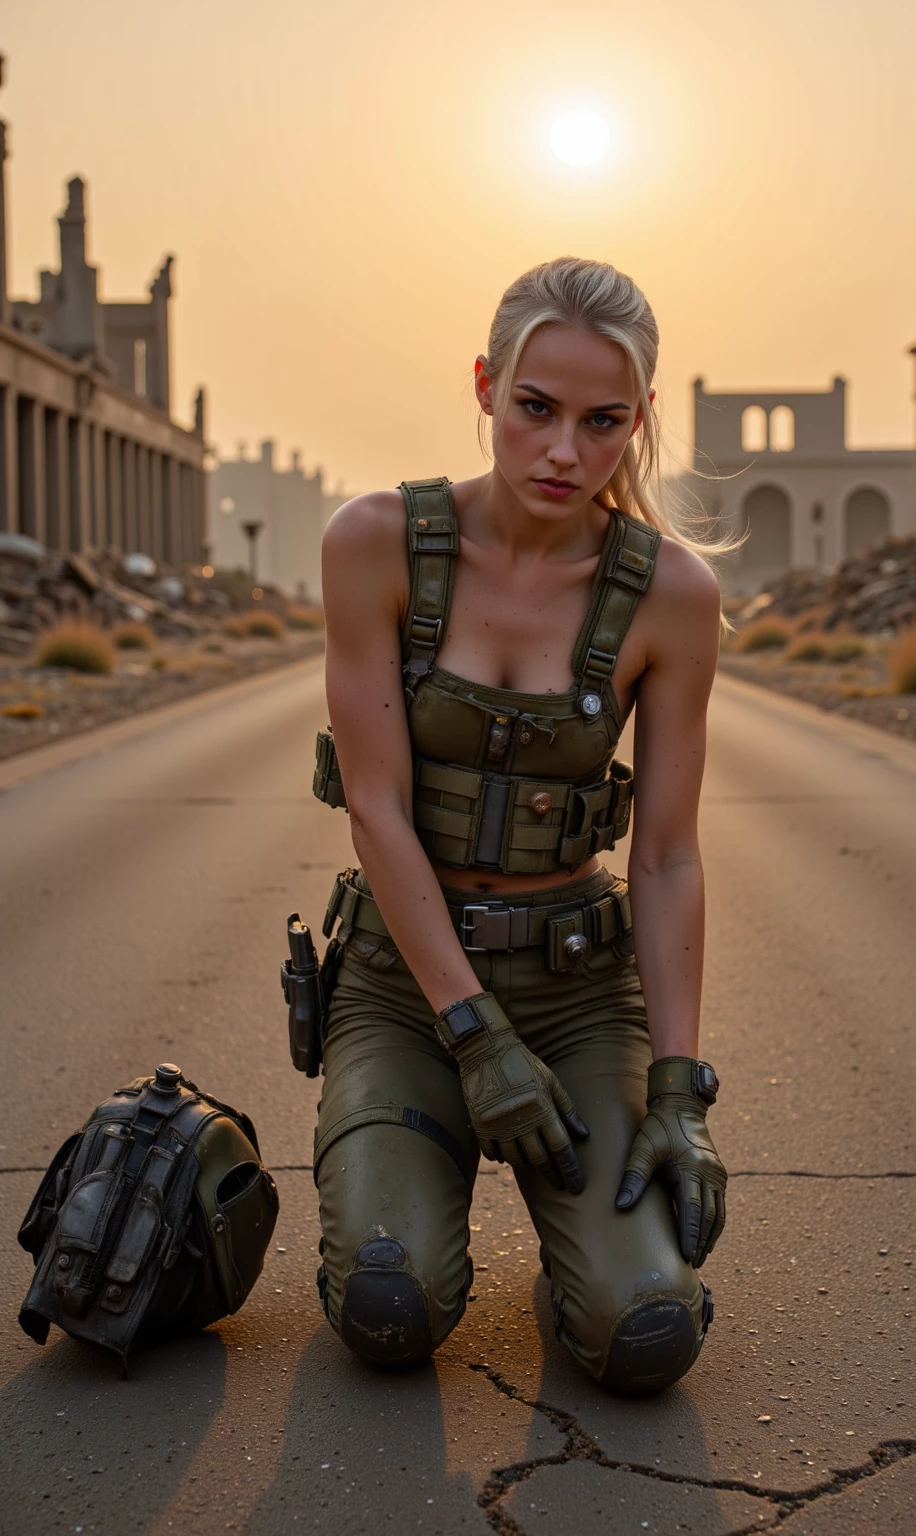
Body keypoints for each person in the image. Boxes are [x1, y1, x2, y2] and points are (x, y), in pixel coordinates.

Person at [313, 256, 743, 1394]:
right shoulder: (375, 543)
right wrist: (471, 1034)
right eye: (535, 409)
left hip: (575, 994)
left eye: (603, 422)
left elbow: (666, 854)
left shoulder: (675, 596)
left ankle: (588, 1251)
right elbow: (377, 806)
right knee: (386, 1308)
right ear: (484, 387)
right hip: (404, 992)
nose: (563, 451)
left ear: (640, 420)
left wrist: (678, 1095)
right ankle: (415, 1167)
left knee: (646, 1335)